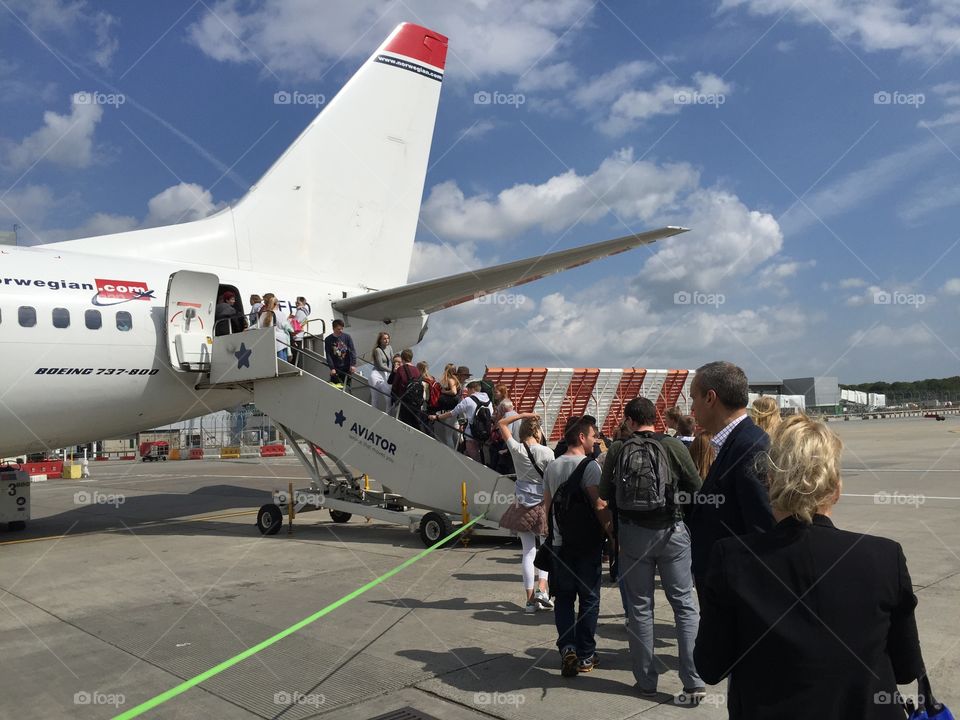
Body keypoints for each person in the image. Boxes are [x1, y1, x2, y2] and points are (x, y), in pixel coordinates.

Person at [694, 414, 924, 719]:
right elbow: (907, 668)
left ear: (770, 483)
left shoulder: (733, 559)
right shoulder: (884, 557)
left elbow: (711, 667)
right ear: (836, 488)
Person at [600, 397, 704, 701]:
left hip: (633, 536)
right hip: (672, 531)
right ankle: (693, 680)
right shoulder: (672, 446)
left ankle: (646, 682)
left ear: (629, 420)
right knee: (684, 604)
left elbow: (605, 493)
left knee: (640, 608)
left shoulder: (618, 448)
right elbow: (696, 485)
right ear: (655, 418)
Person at [686, 361, 774, 592]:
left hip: (736, 588)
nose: (692, 408)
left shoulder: (749, 447)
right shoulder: (734, 442)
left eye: (694, 397)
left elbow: (762, 529)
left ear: (710, 398)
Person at [543, 416, 614, 677]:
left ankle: (567, 648)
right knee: (589, 599)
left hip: (560, 545)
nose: (596, 440)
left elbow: (546, 507)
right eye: (593, 435)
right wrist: (611, 534)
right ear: (582, 437)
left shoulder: (552, 465)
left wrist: (550, 538)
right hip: (586, 546)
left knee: (563, 598)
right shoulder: (590, 467)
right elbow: (599, 506)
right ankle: (585, 655)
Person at [496, 412, 554, 614]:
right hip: (542, 505)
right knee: (546, 549)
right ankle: (542, 589)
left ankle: (530, 601)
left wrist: (523, 414)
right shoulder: (547, 452)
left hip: (522, 505)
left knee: (528, 552)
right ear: (537, 431)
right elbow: (551, 481)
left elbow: (502, 423)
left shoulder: (516, 449)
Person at [428, 380, 491, 463]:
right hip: (484, 433)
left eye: (467, 390)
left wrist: (437, 417)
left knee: (475, 459)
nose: (467, 393)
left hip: (471, 434)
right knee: (478, 454)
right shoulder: (488, 401)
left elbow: (452, 413)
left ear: (472, 389)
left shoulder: (468, 400)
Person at [389, 349, 422, 429]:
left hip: (403, 401)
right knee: (411, 426)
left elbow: (395, 385)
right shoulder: (417, 370)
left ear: (402, 358)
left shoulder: (401, 369)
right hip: (415, 403)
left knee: (402, 424)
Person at [433, 364, 461, 450]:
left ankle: (452, 452)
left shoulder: (450, 380)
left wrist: (444, 391)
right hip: (454, 409)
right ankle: (459, 448)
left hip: (450, 410)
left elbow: (453, 392)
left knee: (448, 435)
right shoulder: (456, 380)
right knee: (454, 432)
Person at [256, 296, 292, 361]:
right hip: (281, 341)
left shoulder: (264, 314)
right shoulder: (281, 314)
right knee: (283, 362)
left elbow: (258, 325)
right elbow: (287, 327)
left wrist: (248, 329)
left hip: (270, 339)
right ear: (277, 304)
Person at [324, 319, 356, 387]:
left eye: (342, 329)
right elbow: (328, 354)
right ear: (333, 328)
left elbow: (352, 351)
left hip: (347, 368)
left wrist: (353, 364)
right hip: (336, 369)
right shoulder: (328, 339)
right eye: (338, 329)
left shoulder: (347, 337)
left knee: (347, 387)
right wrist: (332, 368)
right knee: (335, 387)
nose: (340, 330)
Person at [369, 332, 394, 413]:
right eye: (384, 338)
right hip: (376, 374)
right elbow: (380, 365)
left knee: (388, 397)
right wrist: (392, 371)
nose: (387, 340)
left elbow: (393, 360)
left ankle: (387, 416)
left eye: (387, 338)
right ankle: (373, 414)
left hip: (385, 374)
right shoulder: (377, 350)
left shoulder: (389, 347)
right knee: (375, 398)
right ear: (380, 340)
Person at [289, 297, 310, 367]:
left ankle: (295, 367)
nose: (296, 304)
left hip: (296, 336)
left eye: (298, 302)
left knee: (294, 356)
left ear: (303, 303)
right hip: (299, 335)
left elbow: (296, 325)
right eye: (296, 302)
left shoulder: (300, 311)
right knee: (297, 355)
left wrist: (289, 320)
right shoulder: (304, 312)